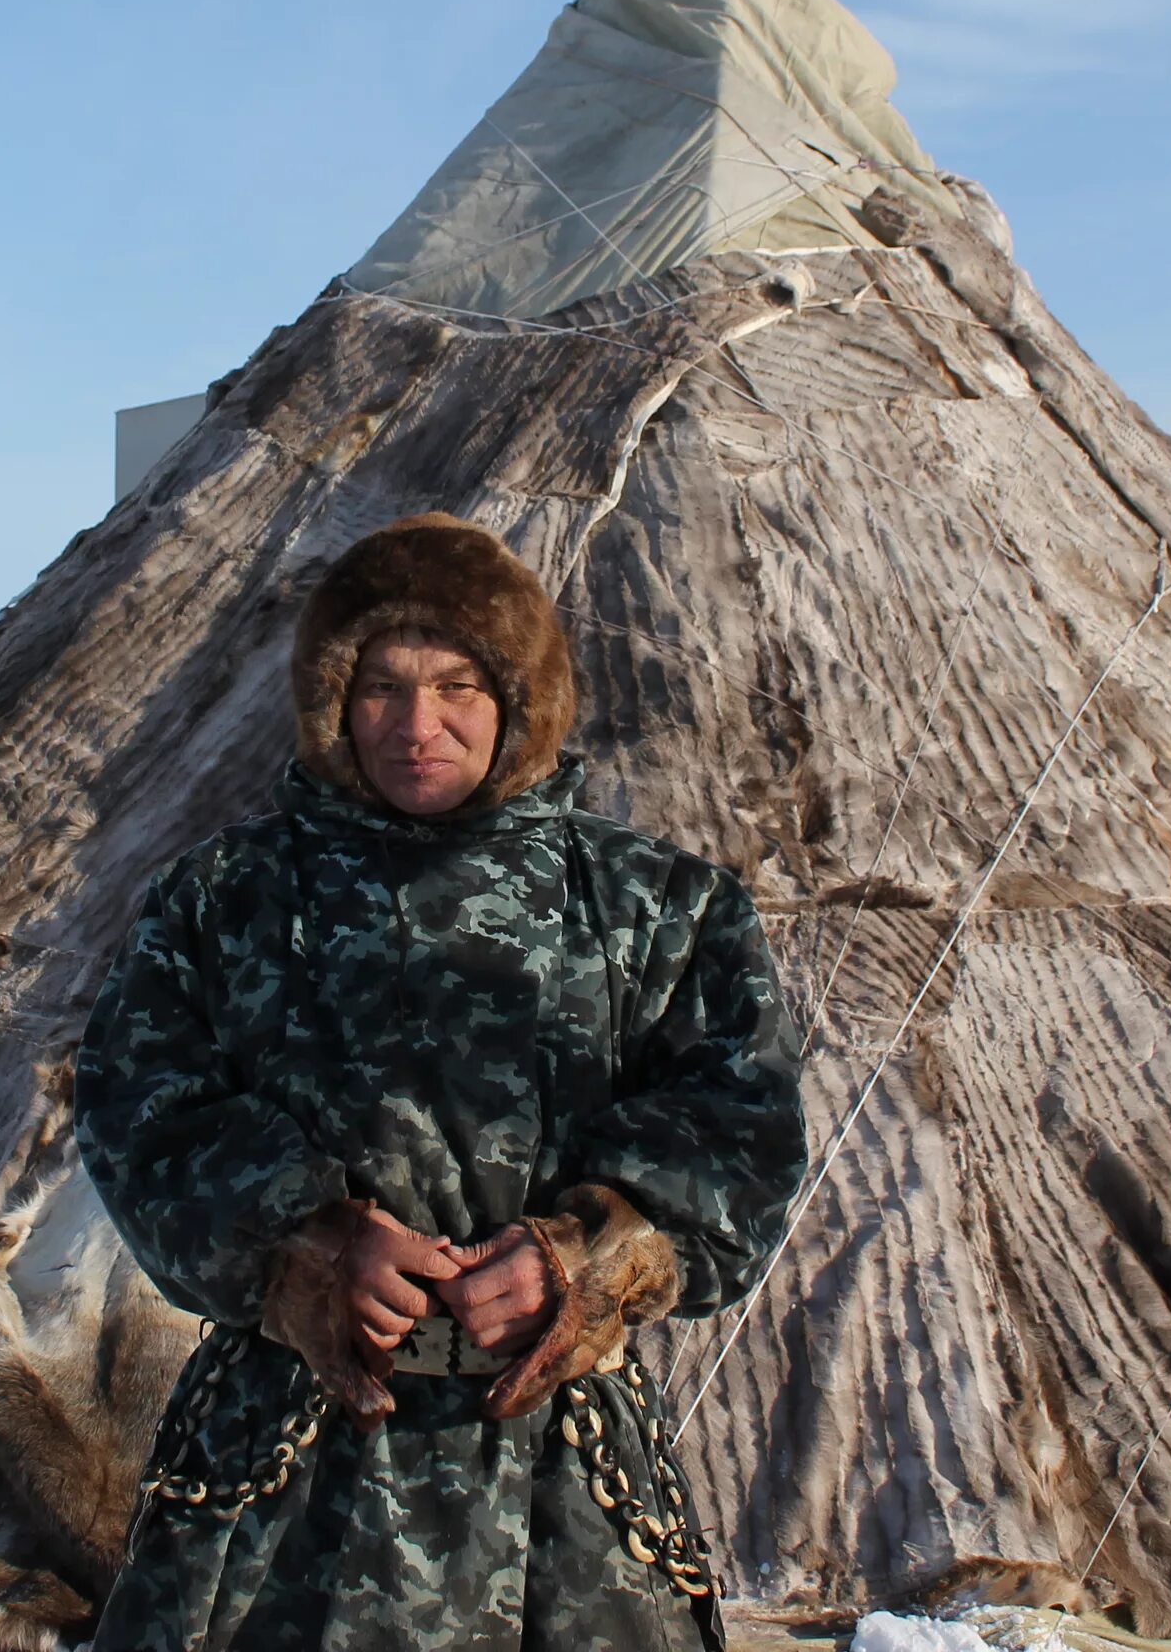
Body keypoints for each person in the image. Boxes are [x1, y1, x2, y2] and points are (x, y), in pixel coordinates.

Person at [76, 514, 808, 1650]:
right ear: (333, 700)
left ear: (520, 694)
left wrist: (594, 1254)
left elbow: (742, 1134)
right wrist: (298, 1237)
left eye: (459, 683)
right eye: (381, 686)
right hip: (280, 1477)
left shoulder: (663, 909)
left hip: (565, 1478)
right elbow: (137, 1106)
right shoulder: (225, 898)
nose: (419, 725)